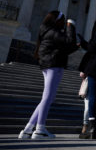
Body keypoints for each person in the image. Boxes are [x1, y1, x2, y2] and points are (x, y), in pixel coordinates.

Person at [18, 11, 78, 139]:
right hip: (54, 65)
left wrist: (76, 47)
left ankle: (28, 129)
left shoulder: (46, 31)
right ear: (57, 20)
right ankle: (40, 129)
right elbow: (69, 41)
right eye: (63, 20)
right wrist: (71, 26)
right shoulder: (54, 32)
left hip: (47, 64)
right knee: (48, 97)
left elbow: (64, 47)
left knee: (47, 98)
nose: (64, 22)